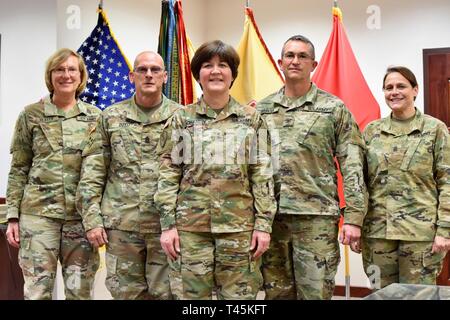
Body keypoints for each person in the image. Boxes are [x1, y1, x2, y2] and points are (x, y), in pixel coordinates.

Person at [154, 40, 277, 300]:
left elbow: (263, 176)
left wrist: (264, 225)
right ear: (198, 74)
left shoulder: (252, 120)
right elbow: (168, 175)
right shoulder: (181, 119)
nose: (216, 71)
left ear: (232, 74)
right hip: (190, 231)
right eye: (208, 65)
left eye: (223, 65)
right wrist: (167, 225)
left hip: (239, 229)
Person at [257, 35, 367, 300]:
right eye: (290, 56)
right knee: (276, 294)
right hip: (272, 219)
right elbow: (252, 166)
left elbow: (352, 163)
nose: (295, 61)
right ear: (280, 62)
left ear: (314, 64)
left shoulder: (333, 109)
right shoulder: (262, 109)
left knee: (314, 294)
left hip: (316, 219)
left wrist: (353, 217)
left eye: (302, 56)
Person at [76, 51, 181, 299]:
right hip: (122, 226)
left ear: (165, 76)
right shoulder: (110, 117)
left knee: (167, 293)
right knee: (126, 294)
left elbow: (190, 175)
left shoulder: (181, 117)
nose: (149, 75)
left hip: (165, 226)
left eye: (155, 70)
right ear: (131, 76)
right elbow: (93, 171)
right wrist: (92, 219)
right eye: (142, 70)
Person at [5, 48, 100, 299]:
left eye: (72, 69)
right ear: (50, 76)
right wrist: (12, 217)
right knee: (37, 291)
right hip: (38, 218)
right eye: (59, 69)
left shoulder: (95, 118)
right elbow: (19, 168)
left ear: (81, 76)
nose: (66, 75)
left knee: (79, 291)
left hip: (81, 221)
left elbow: (102, 171)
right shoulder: (30, 115)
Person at [362, 66, 450, 289]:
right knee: (381, 293)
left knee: (418, 295)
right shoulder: (371, 131)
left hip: (419, 235)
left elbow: (447, 181)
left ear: (415, 90)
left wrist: (445, 230)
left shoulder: (435, 129)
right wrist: (355, 224)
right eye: (388, 87)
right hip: (377, 233)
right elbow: (359, 182)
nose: (394, 92)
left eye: (401, 86)